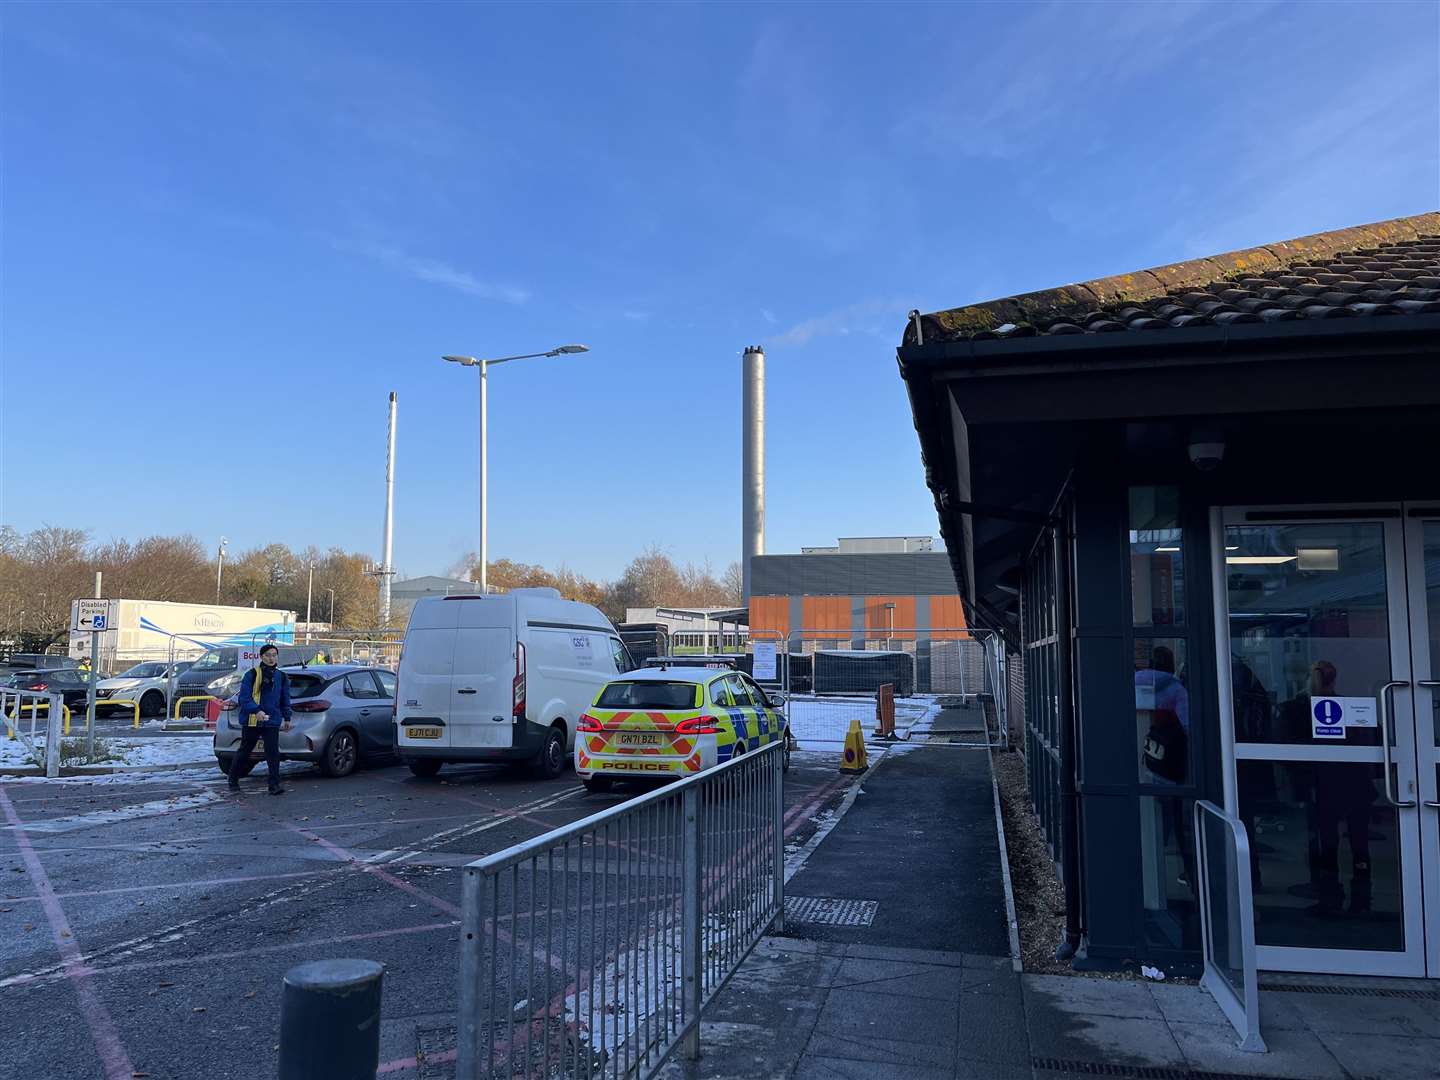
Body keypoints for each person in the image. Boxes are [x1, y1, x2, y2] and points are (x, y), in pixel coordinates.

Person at [228, 643, 292, 795]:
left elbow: (285, 698)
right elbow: (244, 697)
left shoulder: (281, 676)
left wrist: (287, 717)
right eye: (268, 655)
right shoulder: (252, 674)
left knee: (273, 752)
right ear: (261, 657)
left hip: (272, 719)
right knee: (245, 750)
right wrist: (256, 710)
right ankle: (233, 778)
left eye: (274, 655)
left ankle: (274, 785)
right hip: (253, 718)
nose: (271, 658)